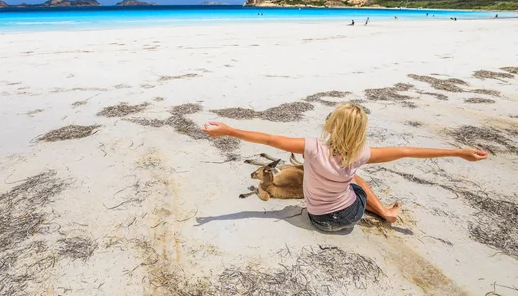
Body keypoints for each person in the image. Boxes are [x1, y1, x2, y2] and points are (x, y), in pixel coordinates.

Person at [202, 103, 488, 232]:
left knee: (351, 180)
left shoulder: (312, 147)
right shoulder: (362, 153)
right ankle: (386, 213)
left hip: (320, 221)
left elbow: (268, 138)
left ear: (330, 124)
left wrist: (228, 130)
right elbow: (407, 151)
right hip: (349, 216)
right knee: (355, 178)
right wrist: (459, 152)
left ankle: (385, 213)